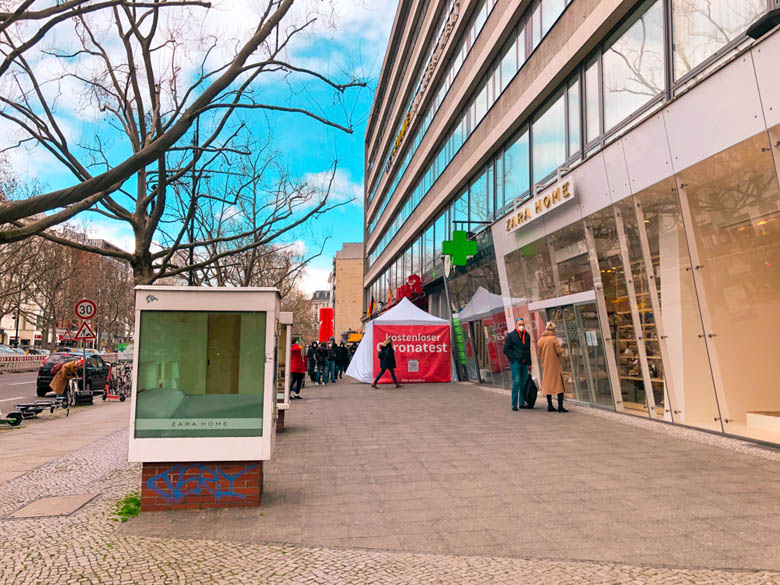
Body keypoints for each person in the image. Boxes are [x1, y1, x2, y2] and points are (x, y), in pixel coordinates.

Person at [537, 321, 568, 413]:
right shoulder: (553, 339)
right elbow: (559, 351)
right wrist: (562, 347)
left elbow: (539, 354)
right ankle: (560, 407)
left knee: (548, 386)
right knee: (559, 386)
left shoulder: (540, 340)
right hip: (555, 366)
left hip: (546, 366)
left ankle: (550, 405)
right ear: (553, 329)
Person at [503, 317, 532, 411]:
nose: (521, 326)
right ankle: (514, 404)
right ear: (516, 325)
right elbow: (506, 350)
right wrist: (513, 359)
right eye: (519, 324)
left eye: (523, 324)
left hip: (525, 363)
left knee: (523, 383)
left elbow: (528, 350)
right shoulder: (511, 336)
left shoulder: (526, 335)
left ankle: (521, 402)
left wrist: (529, 363)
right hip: (516, 363)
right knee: (516, 382)